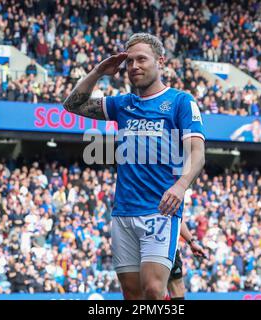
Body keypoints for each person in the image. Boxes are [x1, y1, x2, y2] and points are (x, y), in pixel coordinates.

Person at [63, 33, 205, 300]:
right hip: (123, 212)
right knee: (132, 295)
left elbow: (197, 153)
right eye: (129, 61)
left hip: (159, 212)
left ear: (160, 61)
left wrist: (181, 186)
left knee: (153, 290)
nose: (134, 66)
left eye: (142, 59)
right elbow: (72, 105)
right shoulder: (122, 104)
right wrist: (98, 72)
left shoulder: (180, 101)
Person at [167, 221, 206, 300]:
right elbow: (178, 217)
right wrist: (191, 243)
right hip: (167, 246)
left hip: (168, 246)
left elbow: (178, 218)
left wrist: (191, 242)